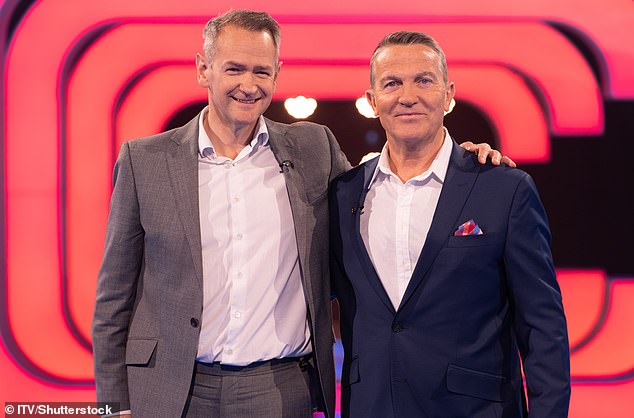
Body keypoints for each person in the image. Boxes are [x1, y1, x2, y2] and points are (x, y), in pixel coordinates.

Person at [92, 10, 511, 418]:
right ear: (204, 69)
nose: (248, 85)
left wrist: (460, 164)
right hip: (170, 388)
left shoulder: (314, 149)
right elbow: (114, 299)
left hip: (281, 389)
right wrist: (112, 407)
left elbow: (385, 194)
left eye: (261, 71)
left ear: (277, 74)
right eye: (234, 69)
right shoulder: (144, 161)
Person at [329, 31, 570, 418]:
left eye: (424, 80)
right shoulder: (343, 195)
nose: (408, 96)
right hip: (372, 407)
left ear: (448, 94)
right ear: (372, 101)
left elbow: (542, 326)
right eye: (392, 83)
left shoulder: (503, 188)